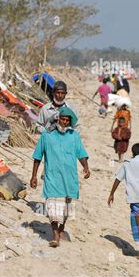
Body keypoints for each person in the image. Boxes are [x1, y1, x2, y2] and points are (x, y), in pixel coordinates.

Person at [30, 106, 90, 247]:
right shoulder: (47, 135)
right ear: (58, 119)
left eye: (67, 120)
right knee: (52, 206)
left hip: (69, 178)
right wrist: (34, 176)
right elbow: (38, 156)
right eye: (62, 119)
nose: (64, 122)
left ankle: (61, 230)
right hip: (52, 176)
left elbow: (81, 153)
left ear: (70, 122)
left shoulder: (74, 136)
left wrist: (86, 167)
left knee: (65, 209)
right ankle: (55, 236)